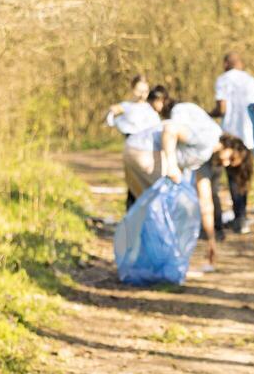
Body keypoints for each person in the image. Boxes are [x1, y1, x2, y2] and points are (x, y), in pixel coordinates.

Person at [160, 100, 246, 275]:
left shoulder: (208, 159)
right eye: (230, 158)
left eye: (230, 164)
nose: (226, 163)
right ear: (229, 146)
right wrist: (171, 164)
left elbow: (206, 203)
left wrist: (211, 240)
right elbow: (171, 129)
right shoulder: (207, 140)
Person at [213, 52, 254, 234]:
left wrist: (209, 114)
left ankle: (238, 216)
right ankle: (242, 217)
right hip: (250, 137)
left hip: (231, 137)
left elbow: (222, 108)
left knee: (232, 178)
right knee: (244, 177)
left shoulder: (223, 80)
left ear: (227, 63)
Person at [105, 75, 162, 208]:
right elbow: (110, 119)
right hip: (133, 150)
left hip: (150, 151)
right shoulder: (126, 106)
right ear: (132, 89)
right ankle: (132, 218)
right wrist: (112, 111)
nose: (142, 95)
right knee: (133, 186)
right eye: (139, 90)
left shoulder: (152, 109)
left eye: (145, 91)